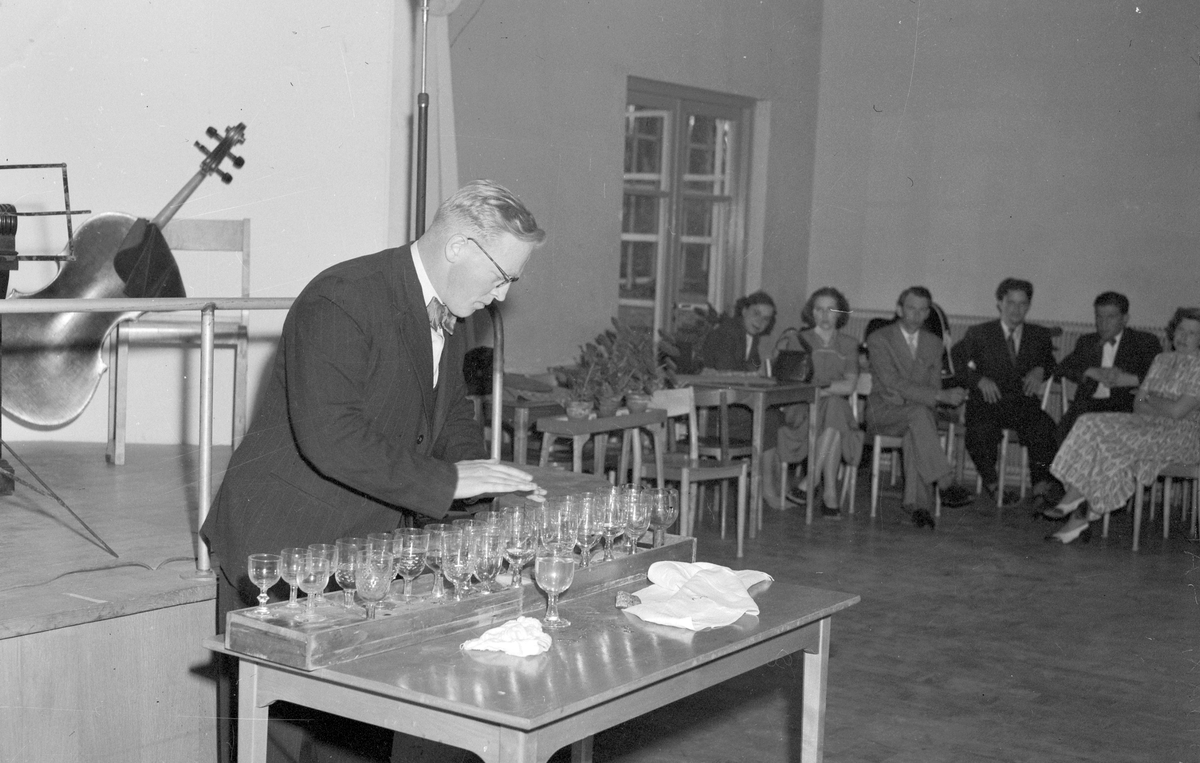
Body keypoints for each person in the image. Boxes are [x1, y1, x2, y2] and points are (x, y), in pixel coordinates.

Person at [200, 179, 546, 762]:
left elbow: (449, 412)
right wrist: (450, 483)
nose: (503, 294)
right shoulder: (342, 297)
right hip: (281, 552)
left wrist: (481, 485)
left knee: (354, 739)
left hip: (362, 555)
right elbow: (331, 436)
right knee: (279, 742)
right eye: (502, 276)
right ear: (459, 246)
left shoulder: (451, 312)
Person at [1045, 307, 1200, 543]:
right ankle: (1075, 495)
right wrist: (1156, 403)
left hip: (1183, 437)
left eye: (1192, 333)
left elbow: (1177, 412)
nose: (1183, 337)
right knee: (1088, 422)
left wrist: (1149, 398)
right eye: (1181, 330)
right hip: (1147, 424)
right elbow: (1138, 405)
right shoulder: (1161, 360)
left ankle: (1080, 514)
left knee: (1113, 444)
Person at [949, 278, 1059, 505]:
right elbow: (955, 361)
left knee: (1045, 428)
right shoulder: (979, 333)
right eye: (1010, 303)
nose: (1016, 309)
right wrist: (978, 380)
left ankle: (1040, 487)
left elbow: (1050, 362)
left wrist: (1040, 369)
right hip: (987, 402)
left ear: (1029, 306)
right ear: (1000, 304)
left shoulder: (1038, 335)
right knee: (979, 431)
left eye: (1022, 304)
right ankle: (993, 484)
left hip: (1022, 404)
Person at [867, 287, 968, 528]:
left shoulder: (934, 343)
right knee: (919, 415)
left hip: (915, 414)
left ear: (928, 313)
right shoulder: (879, 338)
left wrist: (930, 396)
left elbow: (932, 386)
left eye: (923, 310)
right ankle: (945, 481)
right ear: (899, 309)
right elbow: (891, 382)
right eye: (911, 308)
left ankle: (918, 508)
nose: (916, 315)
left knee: (917, 425)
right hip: (883, 413)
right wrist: (936, 396)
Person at [773, 287, 862, 518]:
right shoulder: (798, 339)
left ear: (839, 313)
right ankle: (828, 493)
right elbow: (793, 386)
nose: (825, 315)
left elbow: (849, 387)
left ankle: (812, 481)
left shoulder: (849, 343)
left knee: (834, 407)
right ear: (811, 312)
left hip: (831, 409)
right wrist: (824, 390)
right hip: (802, 408)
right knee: (836, 409)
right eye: (819, 309)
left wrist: (817, 389)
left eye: (831, 310)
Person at [1053, 291, 1161, 442]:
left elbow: (1161, 377)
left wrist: (1130, 379)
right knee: (1061, 435)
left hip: (1124, 407)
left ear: (1125, 319)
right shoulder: (1087, 342)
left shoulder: (1144, 342)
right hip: (1088, 407)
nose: (1103, 324)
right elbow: (1059, 370)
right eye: (1099, 317)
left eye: (1111, 317)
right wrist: (1090, 371)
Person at [699, 290, 776, 372]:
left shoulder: (753, 336)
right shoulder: (727, 332)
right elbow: (725, 368)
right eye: (756, 314)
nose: (760, 321)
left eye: (766, 319)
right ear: (744, 311)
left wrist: (750, 366)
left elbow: (756, 363)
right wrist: (748, 367)